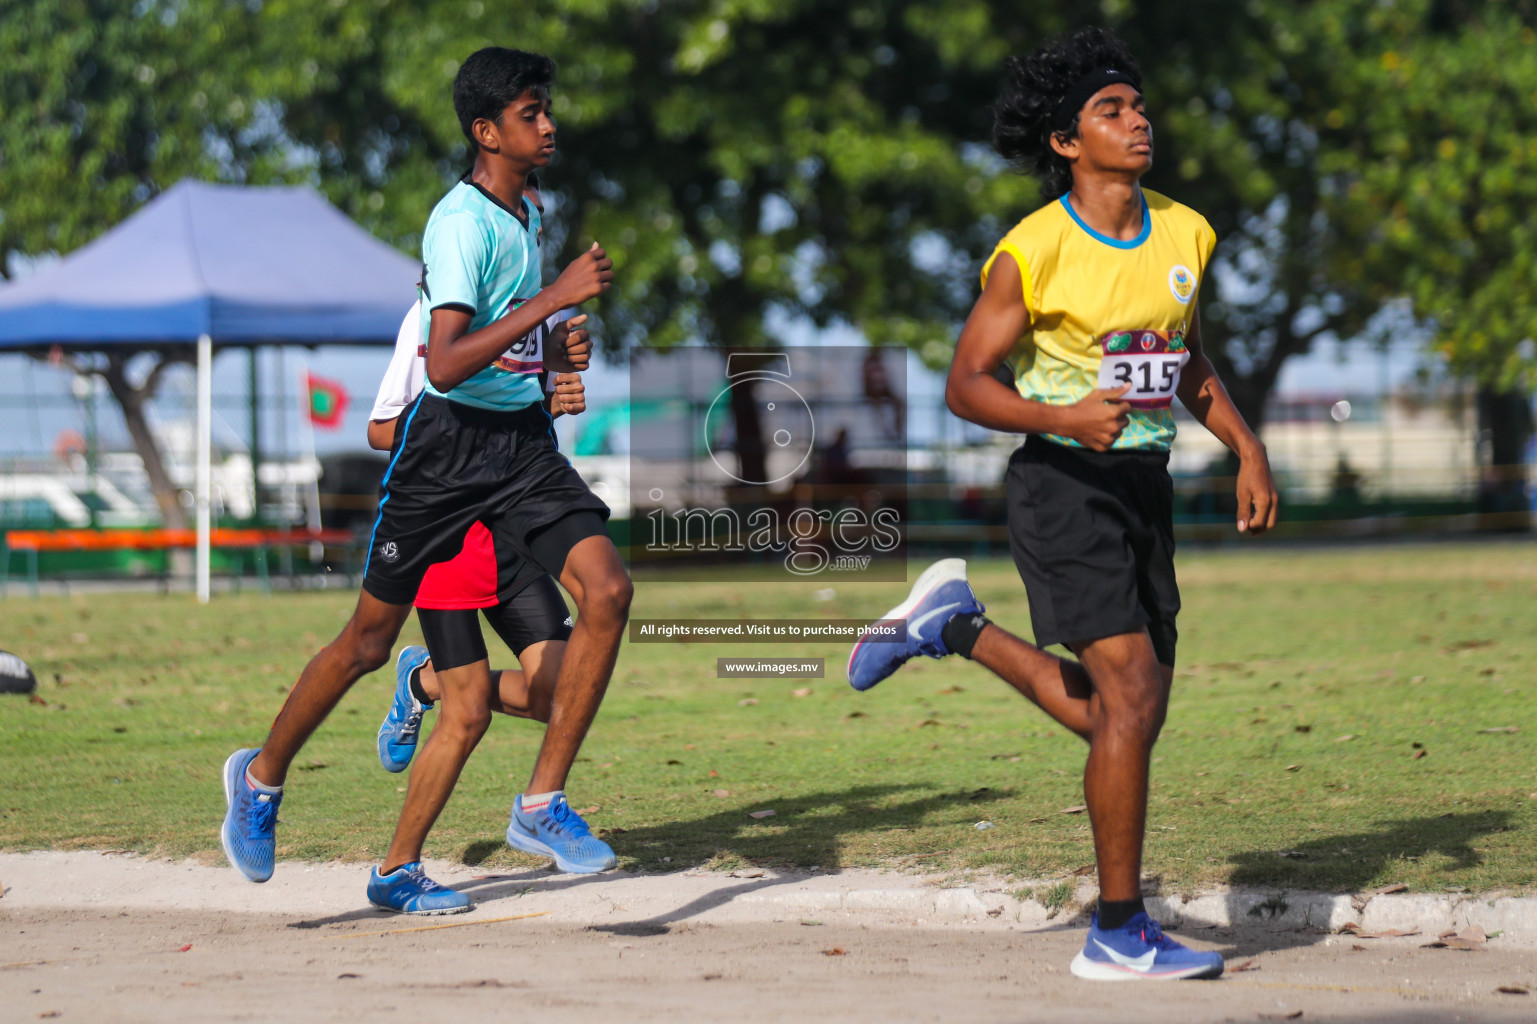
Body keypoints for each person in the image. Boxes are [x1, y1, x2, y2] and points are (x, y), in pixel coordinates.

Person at [847, 27, 1277, 981]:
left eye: (1137, 105)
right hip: (1060, 483)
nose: (1137, 121)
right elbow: (966, 383)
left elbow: (1189, 360)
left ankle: (952, 626)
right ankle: (1117, 931)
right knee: (1124, 702)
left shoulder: (1185, 231)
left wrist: (1245, 446)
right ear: (1066, 143)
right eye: (1110, 111)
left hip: (1142, 486)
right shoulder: (1031, 251)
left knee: (1124, 716)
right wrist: (1062, 415)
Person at [221, 47, 632, 899]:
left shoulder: (529, 213)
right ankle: (259, 779)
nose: (548, 123)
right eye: (530, 113)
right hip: (443, 458)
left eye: (546, 109)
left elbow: (506, 344)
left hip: (519, 447)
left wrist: (554, 353)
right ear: (486, 131)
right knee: (367, 644)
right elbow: (442, 365)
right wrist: (553, 302)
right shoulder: (460, 221)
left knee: (610, 590)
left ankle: (542, 800)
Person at [361, 297, 592, 914]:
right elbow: (380, 429)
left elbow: (524, 432)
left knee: (559, 695)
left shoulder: (536, 320)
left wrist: (555, 395)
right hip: (447, 540)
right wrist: (447, 421)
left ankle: (423, 681)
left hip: (513, 536)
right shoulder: (431, 319)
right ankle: (396, 869)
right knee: (467, 719)